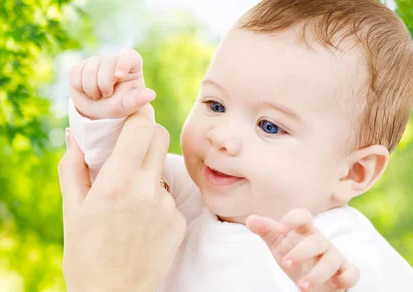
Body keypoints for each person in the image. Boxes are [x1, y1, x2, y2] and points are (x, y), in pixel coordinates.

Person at [65, 0, 413, 291]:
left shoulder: (342, 250)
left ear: (353, 172)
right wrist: (107, 114)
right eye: (215, 105)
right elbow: (112, 180)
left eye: (269, 126)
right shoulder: (182, 190)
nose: (221, 136)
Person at [58, 105, 187, 292]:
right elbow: (110, 175)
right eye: (216, 106)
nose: (225, 139)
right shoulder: (186, 180)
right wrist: (105, 118)